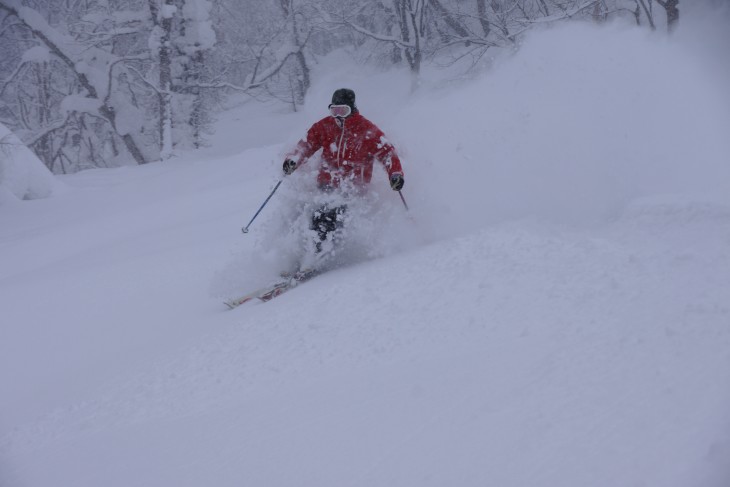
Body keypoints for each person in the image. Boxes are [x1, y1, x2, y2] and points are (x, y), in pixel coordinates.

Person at [282, 88, 405, 272]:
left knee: (332, 215)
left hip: (353, 189)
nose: (338, 116)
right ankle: (301, 258)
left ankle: (318, 258)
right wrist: (293, 160)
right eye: (334, 110)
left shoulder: (367, 130)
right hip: (326, 184)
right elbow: (307, 145)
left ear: (352, 108)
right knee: (311, 214)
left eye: (343, 111)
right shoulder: (324, 126)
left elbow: (387, 153)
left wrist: (395, 174)